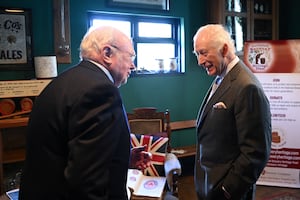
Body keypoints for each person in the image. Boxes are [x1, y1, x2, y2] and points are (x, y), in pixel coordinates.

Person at [19, 26, 151, 200]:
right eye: (131, 56)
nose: (133, 66)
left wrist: (123, 157)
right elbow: (87, 182)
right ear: (107, 53)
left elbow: (70, 154)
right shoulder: (100, 91)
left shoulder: (62, 82)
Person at [192, 24, 272, 200]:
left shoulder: (247, 86)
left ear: (224, 49)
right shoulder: (222, 78)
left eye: (204, 53)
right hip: (209, 186)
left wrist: (227, 190)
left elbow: (256, 152)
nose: (199, 61)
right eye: (197, 54)